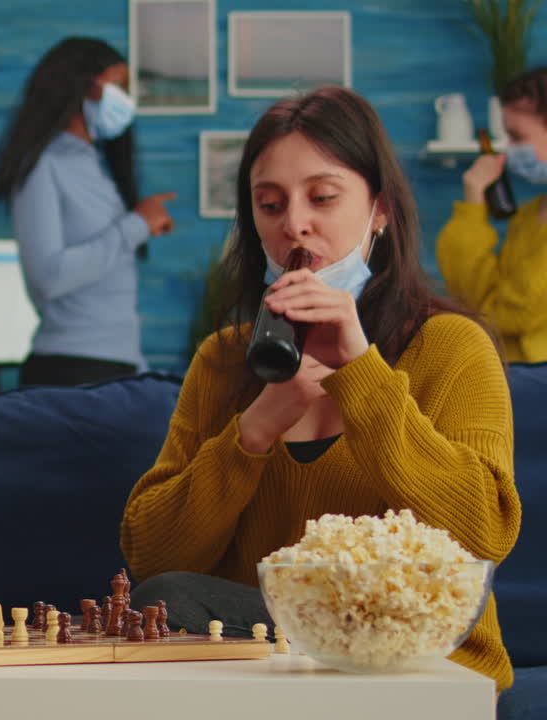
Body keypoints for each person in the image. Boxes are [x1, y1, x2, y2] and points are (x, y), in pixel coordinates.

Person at [120, 86, 521, 693]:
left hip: (425, 673)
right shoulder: (223, 362)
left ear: (379, 209)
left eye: (323, 197)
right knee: (165, 599)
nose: (295, 225)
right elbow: (150, 559)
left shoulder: (453, 348)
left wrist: (361, 371)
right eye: (270, 204)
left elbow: (482, 536)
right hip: (270, 679)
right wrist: (253, 432)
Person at [0, 36, 176, 387]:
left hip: (115, 368)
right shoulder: (42, 167)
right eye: (118, 85)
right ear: (84, 88)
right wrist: (136, 224)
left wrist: (136, 369)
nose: (126, 97)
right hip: (71, 371)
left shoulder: (93, 168)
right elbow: (48, 278)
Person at [438, 67, 547, 362]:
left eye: (516, 136)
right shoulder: (528, 217)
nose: (509, 149)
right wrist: (474, 200)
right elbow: (473, 296)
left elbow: (514, 314)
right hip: (513, 372)